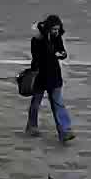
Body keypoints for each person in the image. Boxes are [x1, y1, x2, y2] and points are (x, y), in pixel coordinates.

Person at [26, 14, 74, 143]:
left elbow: (62, 51)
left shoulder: (57, 37)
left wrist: (62, 54)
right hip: (40, 76)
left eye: (58, 29)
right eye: (54, 29)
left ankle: (64, 131)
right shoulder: (37, 39)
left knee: (58, 104)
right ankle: (32, 126)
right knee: (36, 103)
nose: (56, 32)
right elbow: (37, 58)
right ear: (48, 28)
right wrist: (52, 54)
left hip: (54, 76)